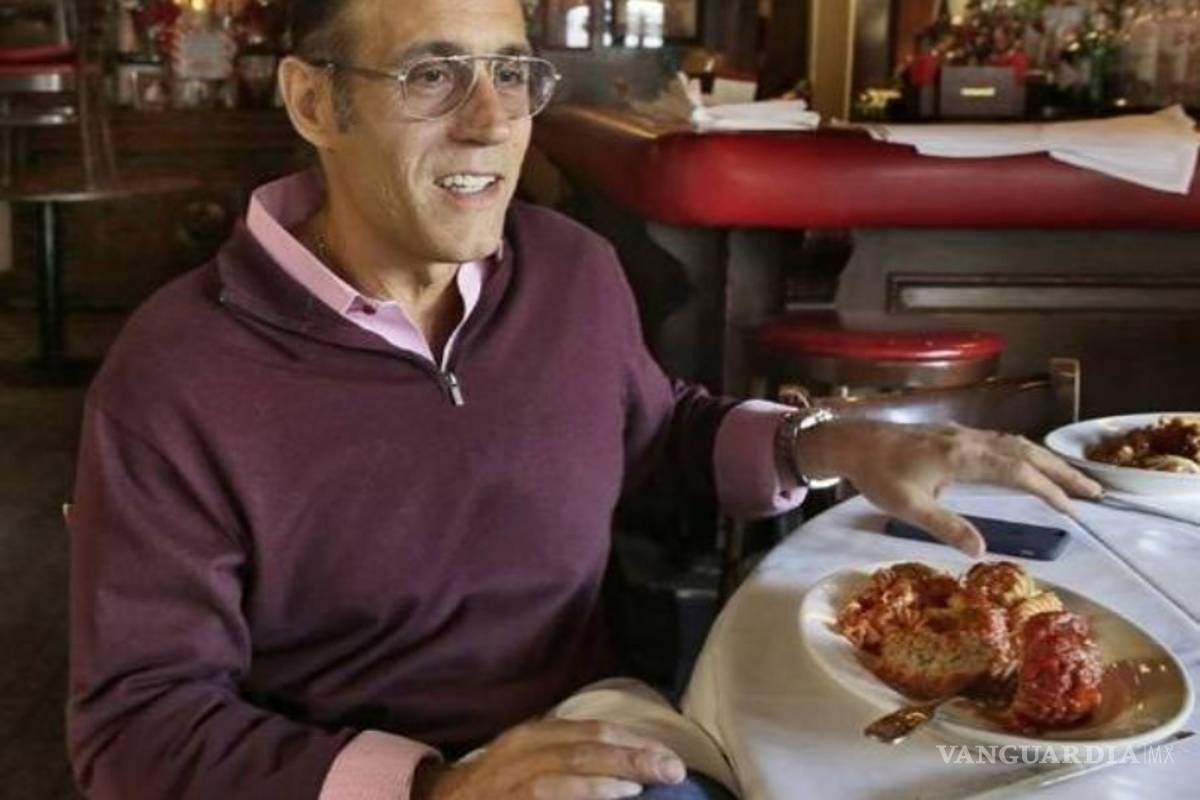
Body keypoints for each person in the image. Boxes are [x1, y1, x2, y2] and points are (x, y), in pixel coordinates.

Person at [64, 0, 1103, 798]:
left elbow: (658, 434)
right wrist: (434, 787)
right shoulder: (177, 372)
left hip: (588, 737)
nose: (493, 122)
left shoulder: (567, 268)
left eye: (511, 72)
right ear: (313, 103)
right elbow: (135, 722)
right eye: (433, 74)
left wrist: (834, 442)